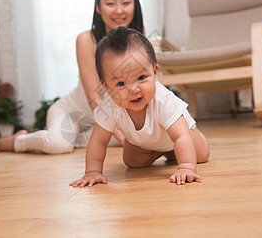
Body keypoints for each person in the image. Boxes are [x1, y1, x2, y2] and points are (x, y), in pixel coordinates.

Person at [0, 0, 144, 154]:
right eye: (111, 3)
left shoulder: (140, 38)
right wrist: (125, 138)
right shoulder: (86, 40)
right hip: (74, 112)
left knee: (131, 136)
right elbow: (93, 99)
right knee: (58, 145)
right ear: (98, 6)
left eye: (126, 3)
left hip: (109, 118)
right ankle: (20, 140)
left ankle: (75, 138)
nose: (119, 10)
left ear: (135, 5)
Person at [70, 27, 210, 187]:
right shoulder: (109, 106)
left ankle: (176, 151)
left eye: (141, 77)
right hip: (148, 142)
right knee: (132, 161)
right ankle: (163, 150)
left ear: (155, 72)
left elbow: (181, 136)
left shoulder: (163, 100)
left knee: (201, 154)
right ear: (106, 87)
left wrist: (186, 167)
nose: (133, 89)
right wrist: (92, 172)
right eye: (121, 83)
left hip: (182, 134)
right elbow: (98, 141)